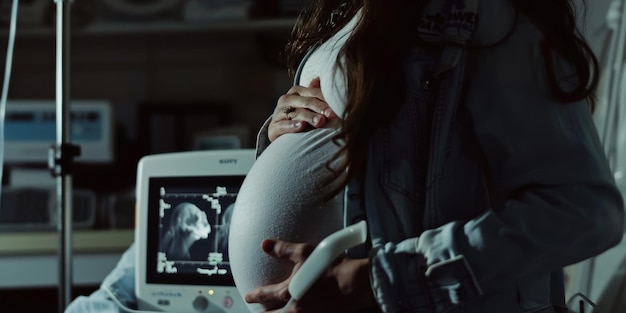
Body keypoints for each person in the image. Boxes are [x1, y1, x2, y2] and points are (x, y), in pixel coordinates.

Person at [242, 0, 626, 312]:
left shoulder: (493, 15)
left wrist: (379, 279)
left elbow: (585, 212)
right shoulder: (344, 11)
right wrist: (284, 130)